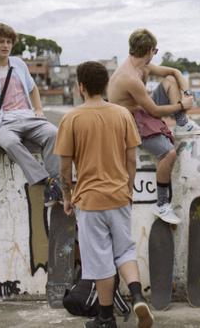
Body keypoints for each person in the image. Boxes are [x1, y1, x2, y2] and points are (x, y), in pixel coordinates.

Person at [55, 61, 153, 327]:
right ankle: (136, 296)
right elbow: (131, 160)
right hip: (120, 196)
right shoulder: (122, 115)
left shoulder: (71, 118)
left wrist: (67, 196)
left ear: (80, 86)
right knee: (124, 251)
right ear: (106, 85)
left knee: (99, 261)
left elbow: (65, 167)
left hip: (89, 201)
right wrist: (128, 189)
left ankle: (106, 318)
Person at [108, 28, 200, 224]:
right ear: (149, 50)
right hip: (129, 120)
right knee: (168, 154)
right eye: (155, 51)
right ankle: (162, 204)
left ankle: (182, 124)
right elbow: (153, 111)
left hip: (142, 110)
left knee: (170, 81)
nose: (155, 54)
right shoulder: (129, 77)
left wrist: (186, 92)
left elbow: (173, 72)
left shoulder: (142, 66)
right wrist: (182, 105)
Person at [0, 23, 62, 206]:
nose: (5, 45)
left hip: (28, 116)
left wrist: (38, 110)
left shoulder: (18, 64)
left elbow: (33, 89)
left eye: (9, 42)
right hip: (4, 122)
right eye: (0, 41)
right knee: (8, 142)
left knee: (55, 133)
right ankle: (46, 181)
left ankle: (56, 184)